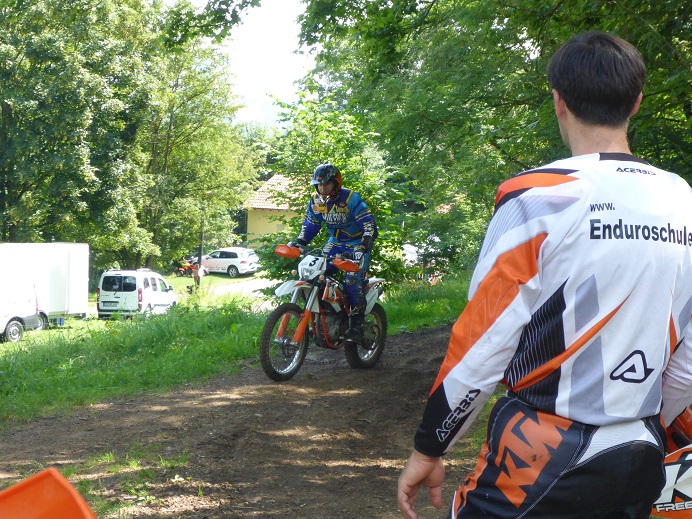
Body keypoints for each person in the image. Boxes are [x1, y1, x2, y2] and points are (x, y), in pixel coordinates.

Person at [397, 31, 692, 519]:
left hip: (543, 448)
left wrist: (430, 447)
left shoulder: (536, 196)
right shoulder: (682, 199)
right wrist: (641, 425)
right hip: (640, 447)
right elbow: (687, 362)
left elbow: (482, 342)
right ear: (637, 102)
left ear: (559, 101)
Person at [288, 163, 378, 343]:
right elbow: (311, 224)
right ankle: (326, 315)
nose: (322, 188)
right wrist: (300, 243)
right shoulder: (317, 201)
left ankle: (356, 325)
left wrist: (364, 246)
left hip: (357, 245)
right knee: (315, 275)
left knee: (352, 281)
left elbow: (368, 224)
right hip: (334, 244)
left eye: (327, 184)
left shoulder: (351, 198)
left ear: (336, 183)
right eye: (319, 185)